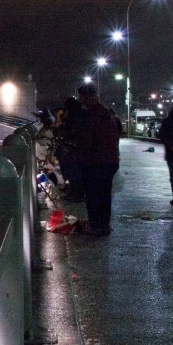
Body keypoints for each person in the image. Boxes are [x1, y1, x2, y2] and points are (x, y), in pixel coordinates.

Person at [72, 83, 121, 235]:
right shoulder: (106, 113)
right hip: (109, 160)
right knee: (104, 194)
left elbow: (86, 140)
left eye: (81, 97)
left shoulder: (90, 115)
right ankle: (103, 224)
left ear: (86, 97)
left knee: (93, 194)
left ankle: (96, 225)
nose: (80, 100)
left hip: (96, 161)